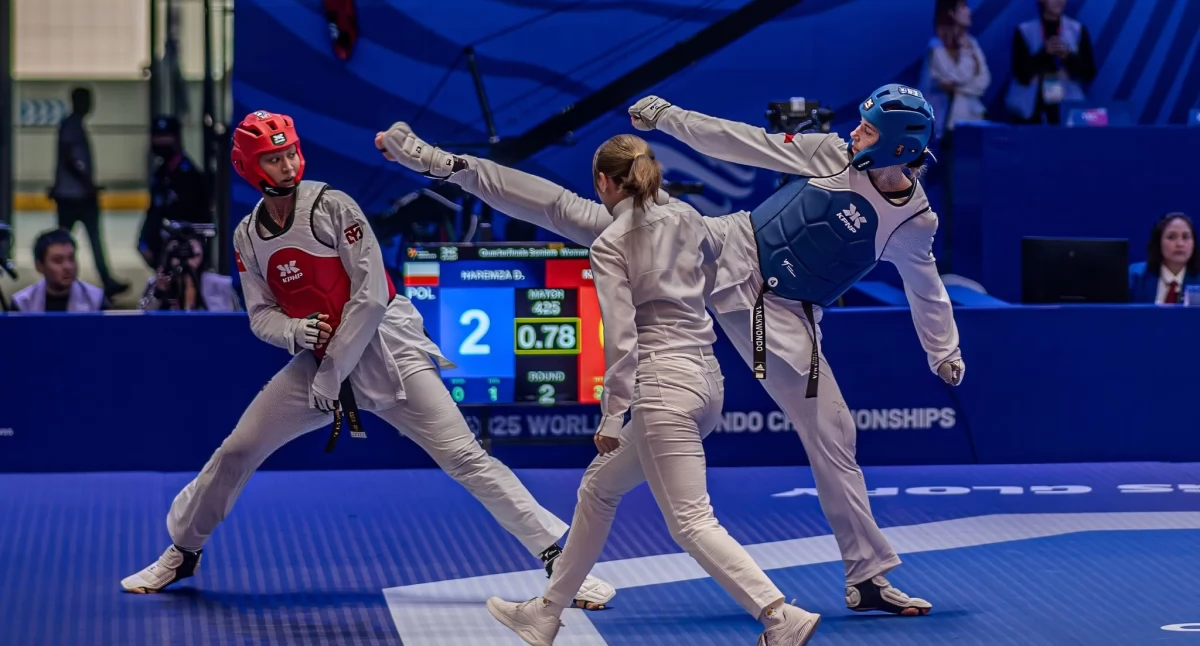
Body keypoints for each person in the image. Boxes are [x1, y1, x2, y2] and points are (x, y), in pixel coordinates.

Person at [379, 82, 963, 619]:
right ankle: (441, 162)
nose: (853, 133)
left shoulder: (915, 221)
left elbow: (927, 288)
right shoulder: (830, 154)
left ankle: (866, 576)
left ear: (897, 147)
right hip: (725, 246)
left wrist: (943, 351)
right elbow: (745, 142)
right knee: (577, 216)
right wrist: (670, 118)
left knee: (834, 435)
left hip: (785, 317)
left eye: (866, 131)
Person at [120, 111, 615, 613]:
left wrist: (333, 372)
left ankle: (561, 560)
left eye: (290, 151)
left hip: (388, 349)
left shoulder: (333, 205)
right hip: (318, 364)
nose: (287, 163)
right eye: (273, 157)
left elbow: (372, 295)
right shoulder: (248, 236)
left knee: (468, 460)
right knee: (237, 451)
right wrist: (295, 332)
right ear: (250, 165)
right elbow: (260, 315)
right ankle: (184, 549)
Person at [380, 128, 822, 645]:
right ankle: (545, 614)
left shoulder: (611, 242)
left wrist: (612, 416)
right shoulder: (688, 217)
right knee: (597, 489)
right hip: (707, 383)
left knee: (690, 522)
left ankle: (778, 616)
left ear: (603, 183)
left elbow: (622, 338)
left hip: (662, 390)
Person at [50, 87, 128, 297]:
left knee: (79, 240)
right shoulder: (72, 126)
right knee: (71, 242)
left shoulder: (73, 125)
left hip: (74, 194)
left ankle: (102, 280)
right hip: (75, 197)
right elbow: (70, 159)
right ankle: (61, 281)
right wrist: (87, 184)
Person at [10, 228, 108, 312]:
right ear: (39, 266)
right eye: (58, 261)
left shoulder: (96, 300)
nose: (68, 267)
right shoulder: (23, 303)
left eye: (71, 258)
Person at [1129, 212, 1198, 304]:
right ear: (1158, 242)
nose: (1180, 244)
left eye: (1185, 237)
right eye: (1171, 237)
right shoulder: (1135, 277)